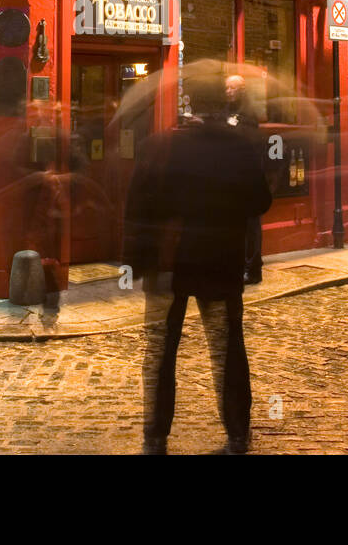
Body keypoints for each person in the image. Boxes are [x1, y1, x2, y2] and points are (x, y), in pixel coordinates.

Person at [125, 62, 272, 455]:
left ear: (187, 101)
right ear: (223, 104)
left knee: (160, 352)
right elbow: (261, 201)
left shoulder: (159, 144)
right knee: (226, 349)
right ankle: (237, 435)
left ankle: (155, 437)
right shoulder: (239, 146)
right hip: (219, 260)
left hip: (168, 265)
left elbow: (136, 207)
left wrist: (140, 263)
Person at [223, 73, 265, 285]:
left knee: (250, 225)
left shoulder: (249, 113)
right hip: (232, 175)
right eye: (227, 88)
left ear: (242, 90)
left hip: (248, 177)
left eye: (232, 88)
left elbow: (248, 142)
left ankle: (253, 270)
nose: (229, 91)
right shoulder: (227, 111)